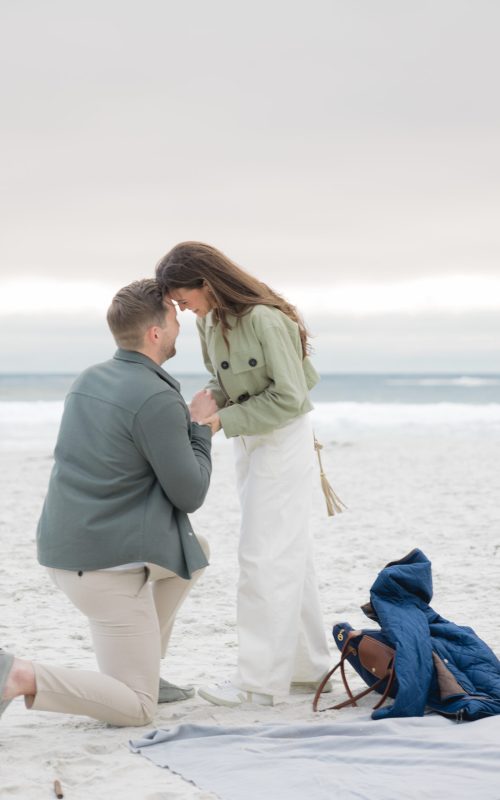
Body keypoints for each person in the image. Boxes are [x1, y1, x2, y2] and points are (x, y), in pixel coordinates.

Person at [0, 278, 217, 726]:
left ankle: (146, 671)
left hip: (65, 548)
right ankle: (18, 675)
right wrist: (199, 428)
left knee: (195, 555)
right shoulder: (157, 397)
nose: (180, 324)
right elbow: (190, 493)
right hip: (105, 569)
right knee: (137, 708)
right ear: (155, 333)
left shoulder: (89, 379)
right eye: (175, 318)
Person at [155, 242, 331, 707]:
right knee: (290, 552)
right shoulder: (207, 322)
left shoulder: (265, 319)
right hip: (248, 440)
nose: (180, 307)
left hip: (283, 438)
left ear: (206, 282)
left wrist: (220, 422)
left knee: (261, 556)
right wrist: (206, 403)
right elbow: (222, 379)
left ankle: (259, 684)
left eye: (182, 297)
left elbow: (293, 397)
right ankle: (307, 669)